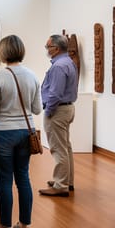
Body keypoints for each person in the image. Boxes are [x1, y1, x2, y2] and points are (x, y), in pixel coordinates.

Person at [0, 35, 42, 228]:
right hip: (26, 132)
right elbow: (37, 109)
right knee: (23, 177)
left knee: (5, 181)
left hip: (3, 132)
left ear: (3, 52)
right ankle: (24, 225)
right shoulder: (32, 76)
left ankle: (3, 227)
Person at [39, 34, 79, 197]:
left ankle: (61, 185)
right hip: (67, 108)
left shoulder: (58, 66)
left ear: (55, 48)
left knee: (58, 149)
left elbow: (55, 93)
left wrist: (48, 112)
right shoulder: (68, 62)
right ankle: (67, 181)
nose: (46, 50)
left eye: (47, 47)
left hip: (58, 111)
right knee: (66, 146)